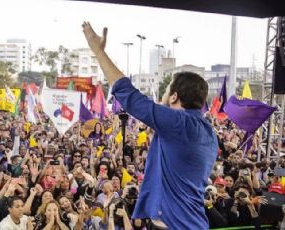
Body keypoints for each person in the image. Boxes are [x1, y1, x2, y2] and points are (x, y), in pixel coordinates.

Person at [82, 22, 218, 229]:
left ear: (173, 96)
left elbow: (130, 97)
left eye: (166, 92)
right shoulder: (207, 131)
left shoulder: (178, 123)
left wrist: (98, 52)